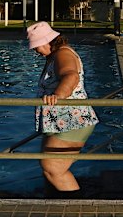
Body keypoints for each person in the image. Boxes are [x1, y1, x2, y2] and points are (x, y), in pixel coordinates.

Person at [27, 21, 99, 196]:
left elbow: (70, 76)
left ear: (48, 41)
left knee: (53, 167)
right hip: (59, 121)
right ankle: (54, 200)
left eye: (37, 46)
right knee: (49, 168)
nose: (35, 51)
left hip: (73, 120)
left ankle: (74, 206)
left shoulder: (63, 54)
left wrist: (58, 96)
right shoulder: (54, 56)